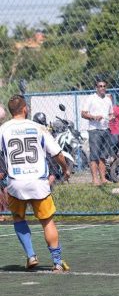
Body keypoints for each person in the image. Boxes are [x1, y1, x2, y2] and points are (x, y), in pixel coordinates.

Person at [0, 95, 71, 273]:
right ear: (25, 109)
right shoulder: (37, 127)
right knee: (47, 222)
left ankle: (31, 256)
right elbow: (57, 153)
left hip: (16, 183)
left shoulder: (3, 129)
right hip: (39, 182)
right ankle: (56, 262)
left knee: (18, 218)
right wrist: (65, 169)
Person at [81, 79, 113, 185]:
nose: (102, 88)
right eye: (100, 86)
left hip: (105, 129)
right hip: (94, 130)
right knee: (94, 155)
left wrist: (111, 117)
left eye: (104, 86)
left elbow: (111, 114)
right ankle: (95, 179)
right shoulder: (91, 98)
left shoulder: (108, 99)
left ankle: (103, 178)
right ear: (96, 87)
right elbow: (83, 114)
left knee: (103, 156)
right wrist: (94, 117)